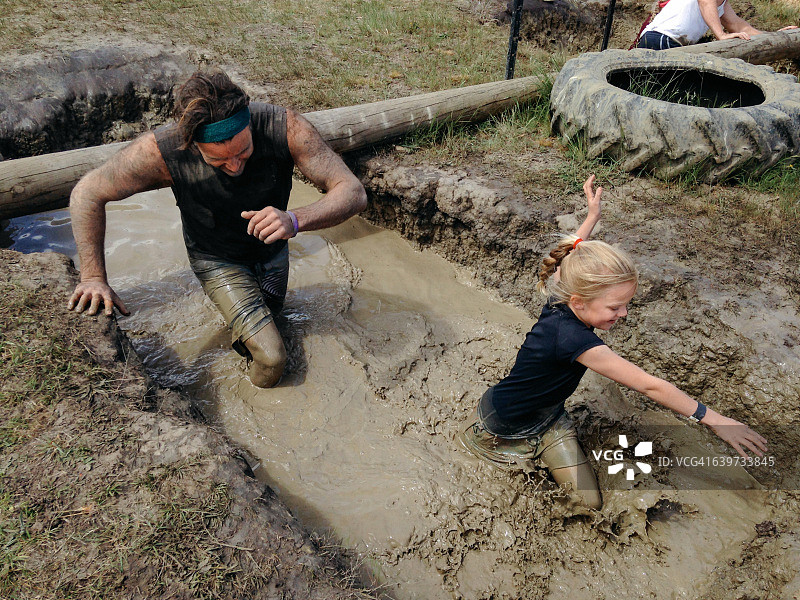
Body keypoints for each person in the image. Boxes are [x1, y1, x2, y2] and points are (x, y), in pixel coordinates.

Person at [460, 175, 767, 509]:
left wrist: (592, 217)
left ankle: (548, 438)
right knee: (587, 503)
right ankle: (480, 444)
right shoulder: (573, 339)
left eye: (626, 304)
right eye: (614, 306)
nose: (623, 314)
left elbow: (569, 254)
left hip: (548, 415)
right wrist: (717, 421)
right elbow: (651, 387)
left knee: (588, 502)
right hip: (504, 423)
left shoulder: (562, 294)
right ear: (579, 301)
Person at [67, 69, 367, 388]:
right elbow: (87, 193)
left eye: (243, 152)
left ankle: (245, 326)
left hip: (273, 250)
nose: (235, 166)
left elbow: (353, 191)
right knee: (272, 358)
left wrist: (294, 219)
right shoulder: (163, 151)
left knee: (274, 315)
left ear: (249, 125)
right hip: (217, 259)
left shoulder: (286, 127)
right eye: (220, 161)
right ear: (195, 146)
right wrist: (93, 278)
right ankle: (257, 401)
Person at [637, 0, 798, 50]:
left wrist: (776, 36)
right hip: (661, 39)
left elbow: (739, 26)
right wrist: (720, 35)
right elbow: (705, 1)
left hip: (668, 41)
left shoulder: (722, 3)